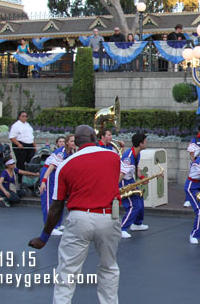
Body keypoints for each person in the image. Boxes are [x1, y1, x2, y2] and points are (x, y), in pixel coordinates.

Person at [28, 125, 122, 304]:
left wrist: (44, 237)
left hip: (80, 218)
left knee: (67, 271)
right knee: (109, 267)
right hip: (109, 216)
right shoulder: (113, 157)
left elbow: (56, 207)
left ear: (75, 143)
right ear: (95, 138)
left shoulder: (65, 165)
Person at [40, 135, 76, 235]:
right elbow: (51, 167)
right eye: (72, 141)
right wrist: (44, 181)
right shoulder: (61, 152)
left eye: (75, 141)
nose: (74, 143)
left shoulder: (71, 153)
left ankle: (58, 224)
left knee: (58, 199)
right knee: (48, 201)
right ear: (67, 142)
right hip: (49, 174)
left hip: (57, 175)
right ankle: (49, 228)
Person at [119, 132, 149, 239]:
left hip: (130, 180)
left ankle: (137, 223)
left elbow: (136, 169)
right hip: (124, 182)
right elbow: (121, 173)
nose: (146, 143)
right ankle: (122, 228)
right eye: (145, 141)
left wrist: (142, 178)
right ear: (140, 144)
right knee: (134, 205)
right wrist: (116, 189)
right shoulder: (129, 156)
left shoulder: (137, 153)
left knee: (139, 198)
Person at [9, 111, 36, 175]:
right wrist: (18, 144)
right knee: (21, 162)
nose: (25, 118)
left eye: (26, 116)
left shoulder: (27, 124)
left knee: (31, 161)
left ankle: (30, 176)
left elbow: (31, 136)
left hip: (30, 144)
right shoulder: (16, 125)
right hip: (21, 145)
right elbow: (12, 137)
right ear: (19, 117)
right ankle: (20, 177)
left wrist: (34, 145)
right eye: (23, 116)